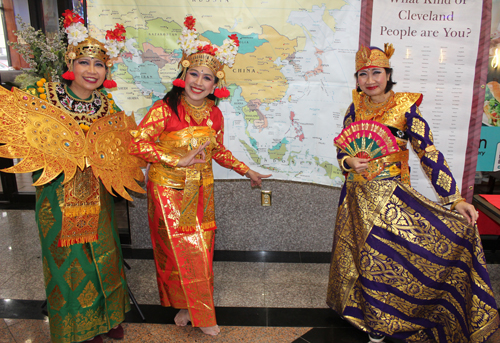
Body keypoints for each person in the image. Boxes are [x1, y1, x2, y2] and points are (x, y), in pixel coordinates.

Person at [326, 44, 500, 343]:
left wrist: (454, 199)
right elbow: (343, 149)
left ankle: (390, 321)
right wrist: (349, 161)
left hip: (391, 198)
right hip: (355, 198)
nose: (370, 80)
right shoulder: (353, 109)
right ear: (356, 79)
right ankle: (366, 316)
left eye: (376, 72)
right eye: (363, 74)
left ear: (388, 74)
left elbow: (428, 153)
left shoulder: (406, 107)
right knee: (363, 259)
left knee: (389, 260)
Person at [0, 11, 144, 343]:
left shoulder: (107, 105)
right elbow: (33, 144)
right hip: (58, 197)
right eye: (85, 63)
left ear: (107, 71)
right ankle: (80, 326)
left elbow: (119, 147)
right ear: (71, 64)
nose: (92, 71)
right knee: (71, 261)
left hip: (97, 196)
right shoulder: (46, 99)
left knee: (106, 257)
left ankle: (108, 318)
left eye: (99, 66)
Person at [128, 15, 271, 336]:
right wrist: (176, 159)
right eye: (194, 73)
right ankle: (202, 314)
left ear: (215, 85)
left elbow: (218, 150)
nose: (199, 82)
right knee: (178, 249)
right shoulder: (164, 109)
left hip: (202, 191)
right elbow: (139, 144)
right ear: (183, 74)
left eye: (207, 78)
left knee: (201, 250)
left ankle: (187, 304)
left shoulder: (215, 113)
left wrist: (247, 170)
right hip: (167, 190)